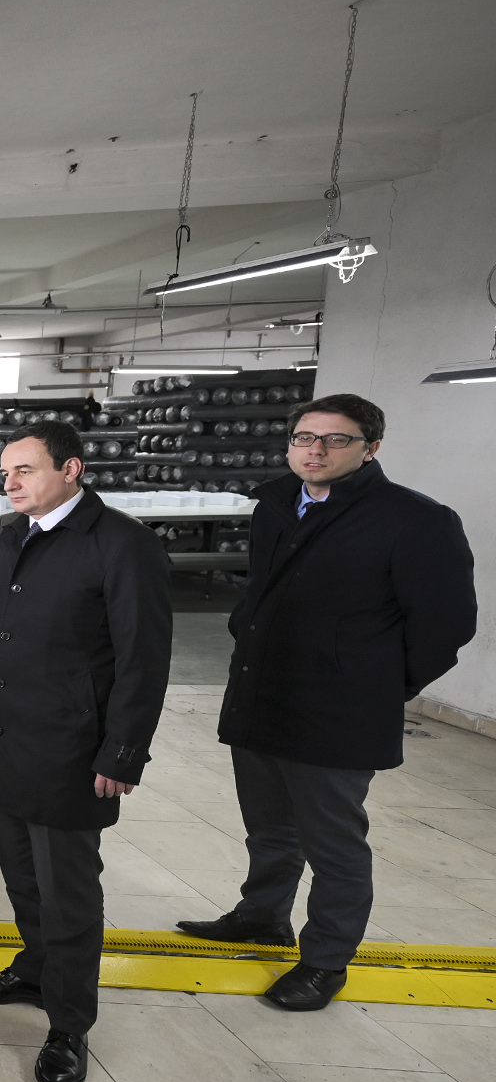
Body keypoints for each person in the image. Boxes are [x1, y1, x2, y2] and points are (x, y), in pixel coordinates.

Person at [179, 393, 475, 1011]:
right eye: (304, 438)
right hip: (263, 695)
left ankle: (325, 961)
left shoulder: (416, 520)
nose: (315, 450)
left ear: (371, 448)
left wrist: (376, 685)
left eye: (336, 439)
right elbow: (260, 592)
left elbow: (446, 625)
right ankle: (262, 917)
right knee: (269, 828)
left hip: (340, 713)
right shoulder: (276, 505)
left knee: (333, 843)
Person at [0, 421, 171, 1082]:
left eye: (25, 470)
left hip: (73, 750)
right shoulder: (16, 533)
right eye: (5, 472)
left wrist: (123, 753)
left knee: (67, 892)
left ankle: (70, 1022)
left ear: (71, 468)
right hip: (10, 737)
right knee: (20, 873)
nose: (10, 483)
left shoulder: (122, 543)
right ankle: (34, 969)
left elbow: (143, 660)